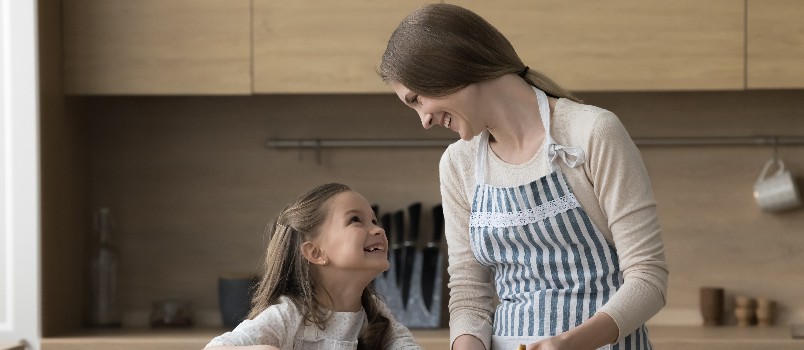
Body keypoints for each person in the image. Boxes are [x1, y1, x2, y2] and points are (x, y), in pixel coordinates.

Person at [380, 4, 668, 350]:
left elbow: (648, 278)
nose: (423, 119)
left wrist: (569, 343)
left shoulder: (591, 133)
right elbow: (470, 295)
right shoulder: (458, 164)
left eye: (417, 99)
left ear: (448, 65)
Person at [205, 183, 422, 350]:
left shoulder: (375, 311)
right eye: (355, 220)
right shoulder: (288, 315)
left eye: (374, 221)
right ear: (316, 253)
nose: (378, 230)